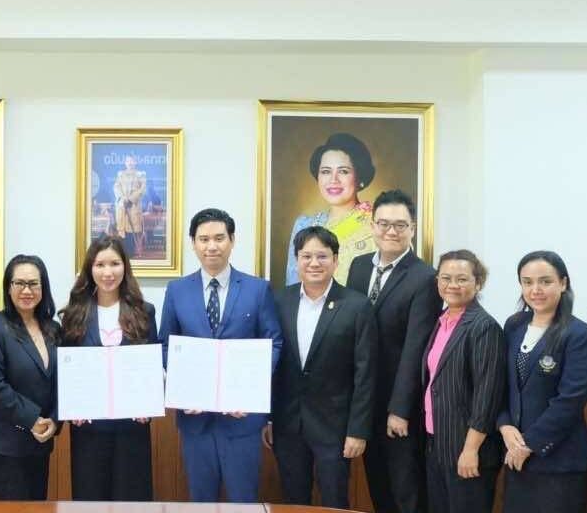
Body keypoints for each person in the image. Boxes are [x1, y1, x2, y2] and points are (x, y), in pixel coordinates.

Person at [159, 208, 283, 503]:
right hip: (195, 421)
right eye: (203, 239)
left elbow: (273, 343)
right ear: (193, 243)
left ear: (232, 240)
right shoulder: (177, 290)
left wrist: (249, 391)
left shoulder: (257, 289)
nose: (211, 246)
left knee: (243, 500)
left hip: (242, 420)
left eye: (219, 238)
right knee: (201, 501)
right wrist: (183, 390)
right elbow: (165, 345)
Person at [263, 226, 377, 509]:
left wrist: (358, 430)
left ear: (335, 260)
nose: (314, 263)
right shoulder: (279, 300)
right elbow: (271, 365)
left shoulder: (357, 306)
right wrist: (269, 419)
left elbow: (365, 374)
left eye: (322, 256)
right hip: (288, 424)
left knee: (334, 501)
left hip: (335, 428)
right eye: (306, 256)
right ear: (297, 260)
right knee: (293, 500)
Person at [344, 189, 440, 513]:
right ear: (372, 225)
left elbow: (416, 348)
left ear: (413, 228)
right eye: (383, 223)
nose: (391, 231)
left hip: (399, 408)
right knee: (378, 487)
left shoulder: (424, 277)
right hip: (364, 402)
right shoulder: (358, 267)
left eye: (400, 225)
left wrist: (399, 409)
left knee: (406, 490)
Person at [497, 251, 587, 513]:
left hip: (557, 460)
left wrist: (528, 444)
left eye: (545, 281)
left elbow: (570, 401)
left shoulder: (580, 335)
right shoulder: (514, 325)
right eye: (527, 282)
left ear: (563, 283)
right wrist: (504, 425)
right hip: (515, 455)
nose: (536, 290)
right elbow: (503, 386)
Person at [58, 235, 158, 501]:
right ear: (90, 269)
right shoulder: (74, 313)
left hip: (132, 426)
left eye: (114, 263)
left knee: (132, 499)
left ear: (125, 266)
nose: (107, 272)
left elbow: (153, 364)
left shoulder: (144, 311)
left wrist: (148, 404)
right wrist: (73, 406)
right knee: (90, 497)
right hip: (89, 429)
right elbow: (65, 368)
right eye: (100, 264)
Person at [423, 249, 506, 513]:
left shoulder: (483, 327)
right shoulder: (441, 321)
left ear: (478, 283)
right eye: (446, 278)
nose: (452, 285)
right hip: (437, 441)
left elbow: (487, 396)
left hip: (468, 448)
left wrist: (470, 450)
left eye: (462, 279)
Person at [0, 254, 62, 501]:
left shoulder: (53, 329)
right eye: (19, 283)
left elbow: (62, 383)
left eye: (33, 283)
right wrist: (32, 419)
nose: (26, 290)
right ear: (8, 287)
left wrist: (55, 420)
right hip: (3, 445)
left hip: (40, 443)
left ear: (43, 287)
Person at [287, 132, 378, 284]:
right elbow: (293, 286)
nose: (333, 180)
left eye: (343, 171)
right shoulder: (304, 225)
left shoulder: (378, 225)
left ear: (360, 176)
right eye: (326, 172)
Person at [113, 154, 148, 254]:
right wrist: (123, 198)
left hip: (134, 206)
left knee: (133, 229)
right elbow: (116, 187)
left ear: (135, 162)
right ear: (125, 163)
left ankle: (132, 252)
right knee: (122, 229)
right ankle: (122, 252)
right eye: (128, 161)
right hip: (122, 206)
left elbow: (142, 189)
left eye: (132, 161)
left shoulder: (141, 174)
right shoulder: (120, 174)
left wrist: (130, 199)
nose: (130, 163)